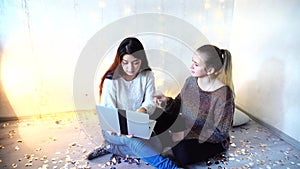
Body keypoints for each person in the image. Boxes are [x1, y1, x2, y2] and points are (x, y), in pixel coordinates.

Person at [87, 37, 179, 169]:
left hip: (138, 123)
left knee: (157, 146)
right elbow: (109, 114)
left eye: (135, 63)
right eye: (125, 63)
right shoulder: (111, 80)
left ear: (142, 60)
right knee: (133, 141)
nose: (130, 68)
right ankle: (168, 166)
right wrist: (124, 129)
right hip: (114, 128)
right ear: (119, 61)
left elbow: (150, 101)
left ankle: (113, 148)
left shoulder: (147, 75)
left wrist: (142, 111)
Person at [154, 44, 235, 166]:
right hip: (187, 125)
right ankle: (171, 141)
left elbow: (220, 133)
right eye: (192, 62)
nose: (191, 66)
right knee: (156, 114)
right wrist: (166, 101)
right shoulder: (191, 81)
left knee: (183, 154)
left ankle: (170, 142)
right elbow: (177, 106)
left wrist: (186, 134)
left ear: (210, 70)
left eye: (196, 65)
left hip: (209, 140)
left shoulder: (223, 95)